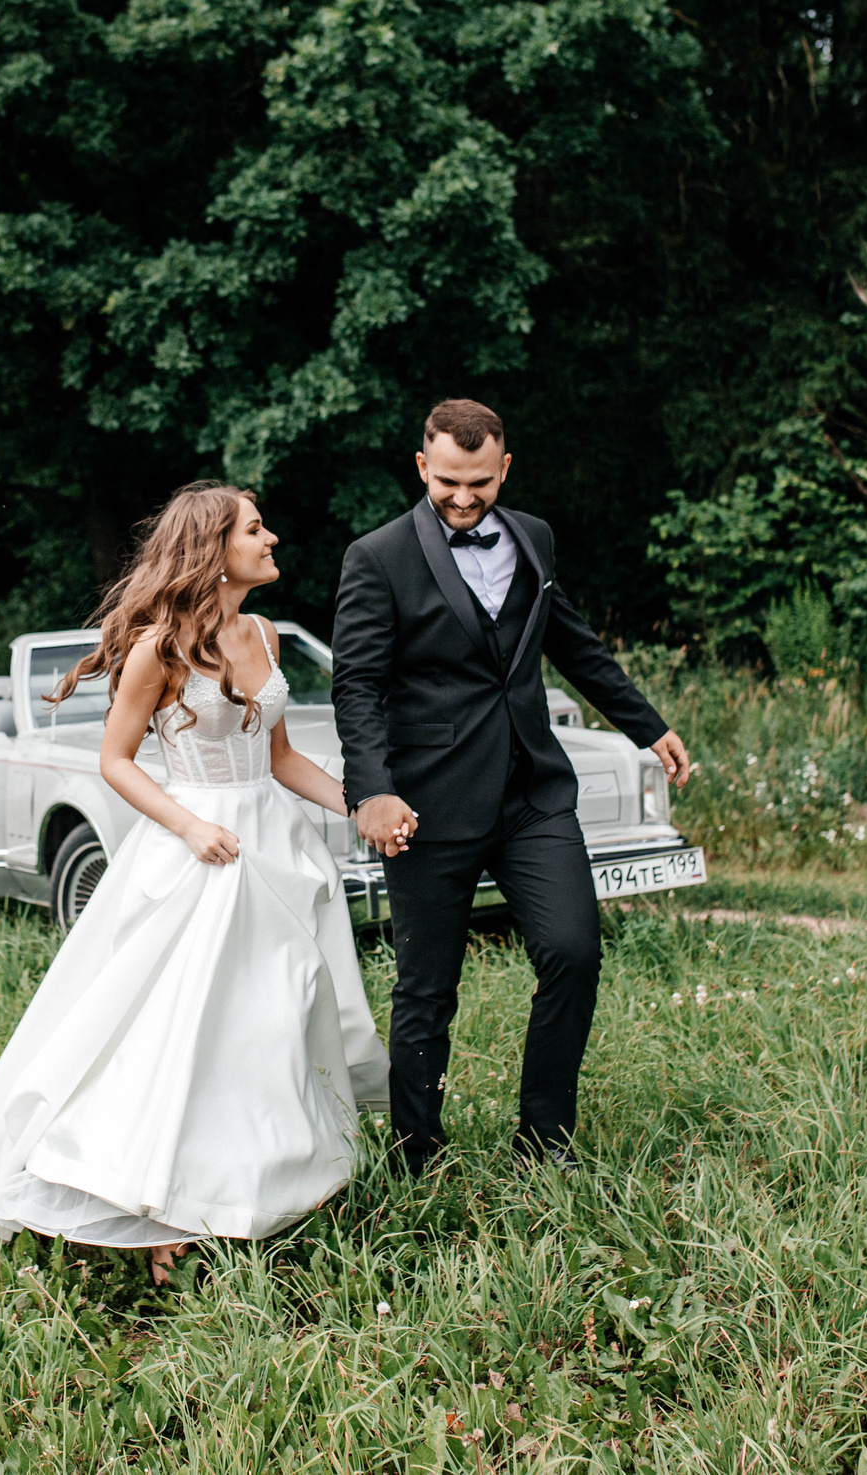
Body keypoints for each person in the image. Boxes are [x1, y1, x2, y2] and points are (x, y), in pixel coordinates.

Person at [0, 484, 390, 1282]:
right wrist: (191, 825)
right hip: (197, 848)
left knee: (274, 1016)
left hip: (275, 845)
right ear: (212, 548)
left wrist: (361, 802)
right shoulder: (158, 650)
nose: (272, 538)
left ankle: (266, 1181)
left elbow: (280, 760)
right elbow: (116, 761)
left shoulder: (264, 633)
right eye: (254, 528)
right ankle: (154, 1203)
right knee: (187, 1028)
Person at [331, 399, 691, 1173]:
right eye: (450, 481)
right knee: (427, 989)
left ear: (505, 469)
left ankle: (545, 1139)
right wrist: (372, 792)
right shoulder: (377, 555)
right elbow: (356, 686)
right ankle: (416, 1153)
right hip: (428, 802)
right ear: (424, 466)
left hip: (532, 791)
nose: (465, 498)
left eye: (481, 483)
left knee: (573, 950)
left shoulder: (534, 537)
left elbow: (571, 643)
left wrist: (646, 724)